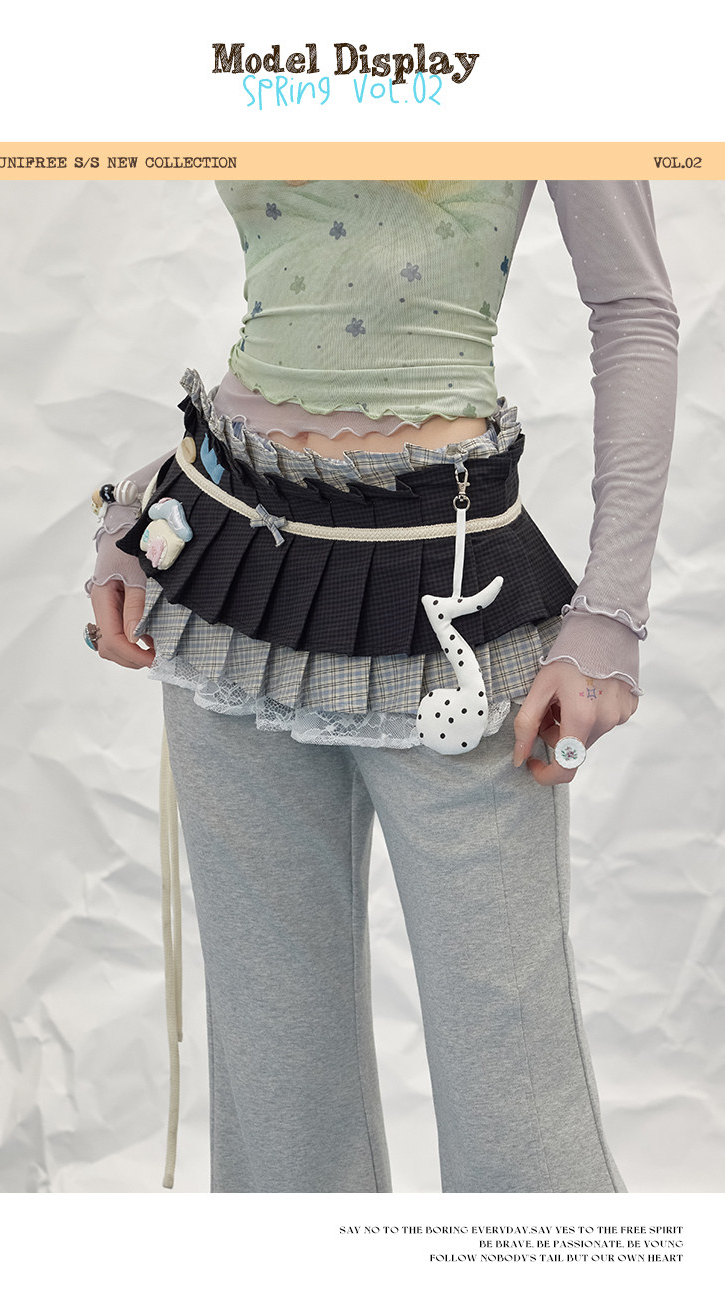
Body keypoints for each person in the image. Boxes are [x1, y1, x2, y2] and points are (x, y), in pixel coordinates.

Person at [87, 180, 678, 1193]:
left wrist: (611, 613)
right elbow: (298, 311)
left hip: (450, 577)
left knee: (516, 1104)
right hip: (230, 576)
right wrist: (148, 511)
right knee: (278, 1102)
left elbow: (633, 307)